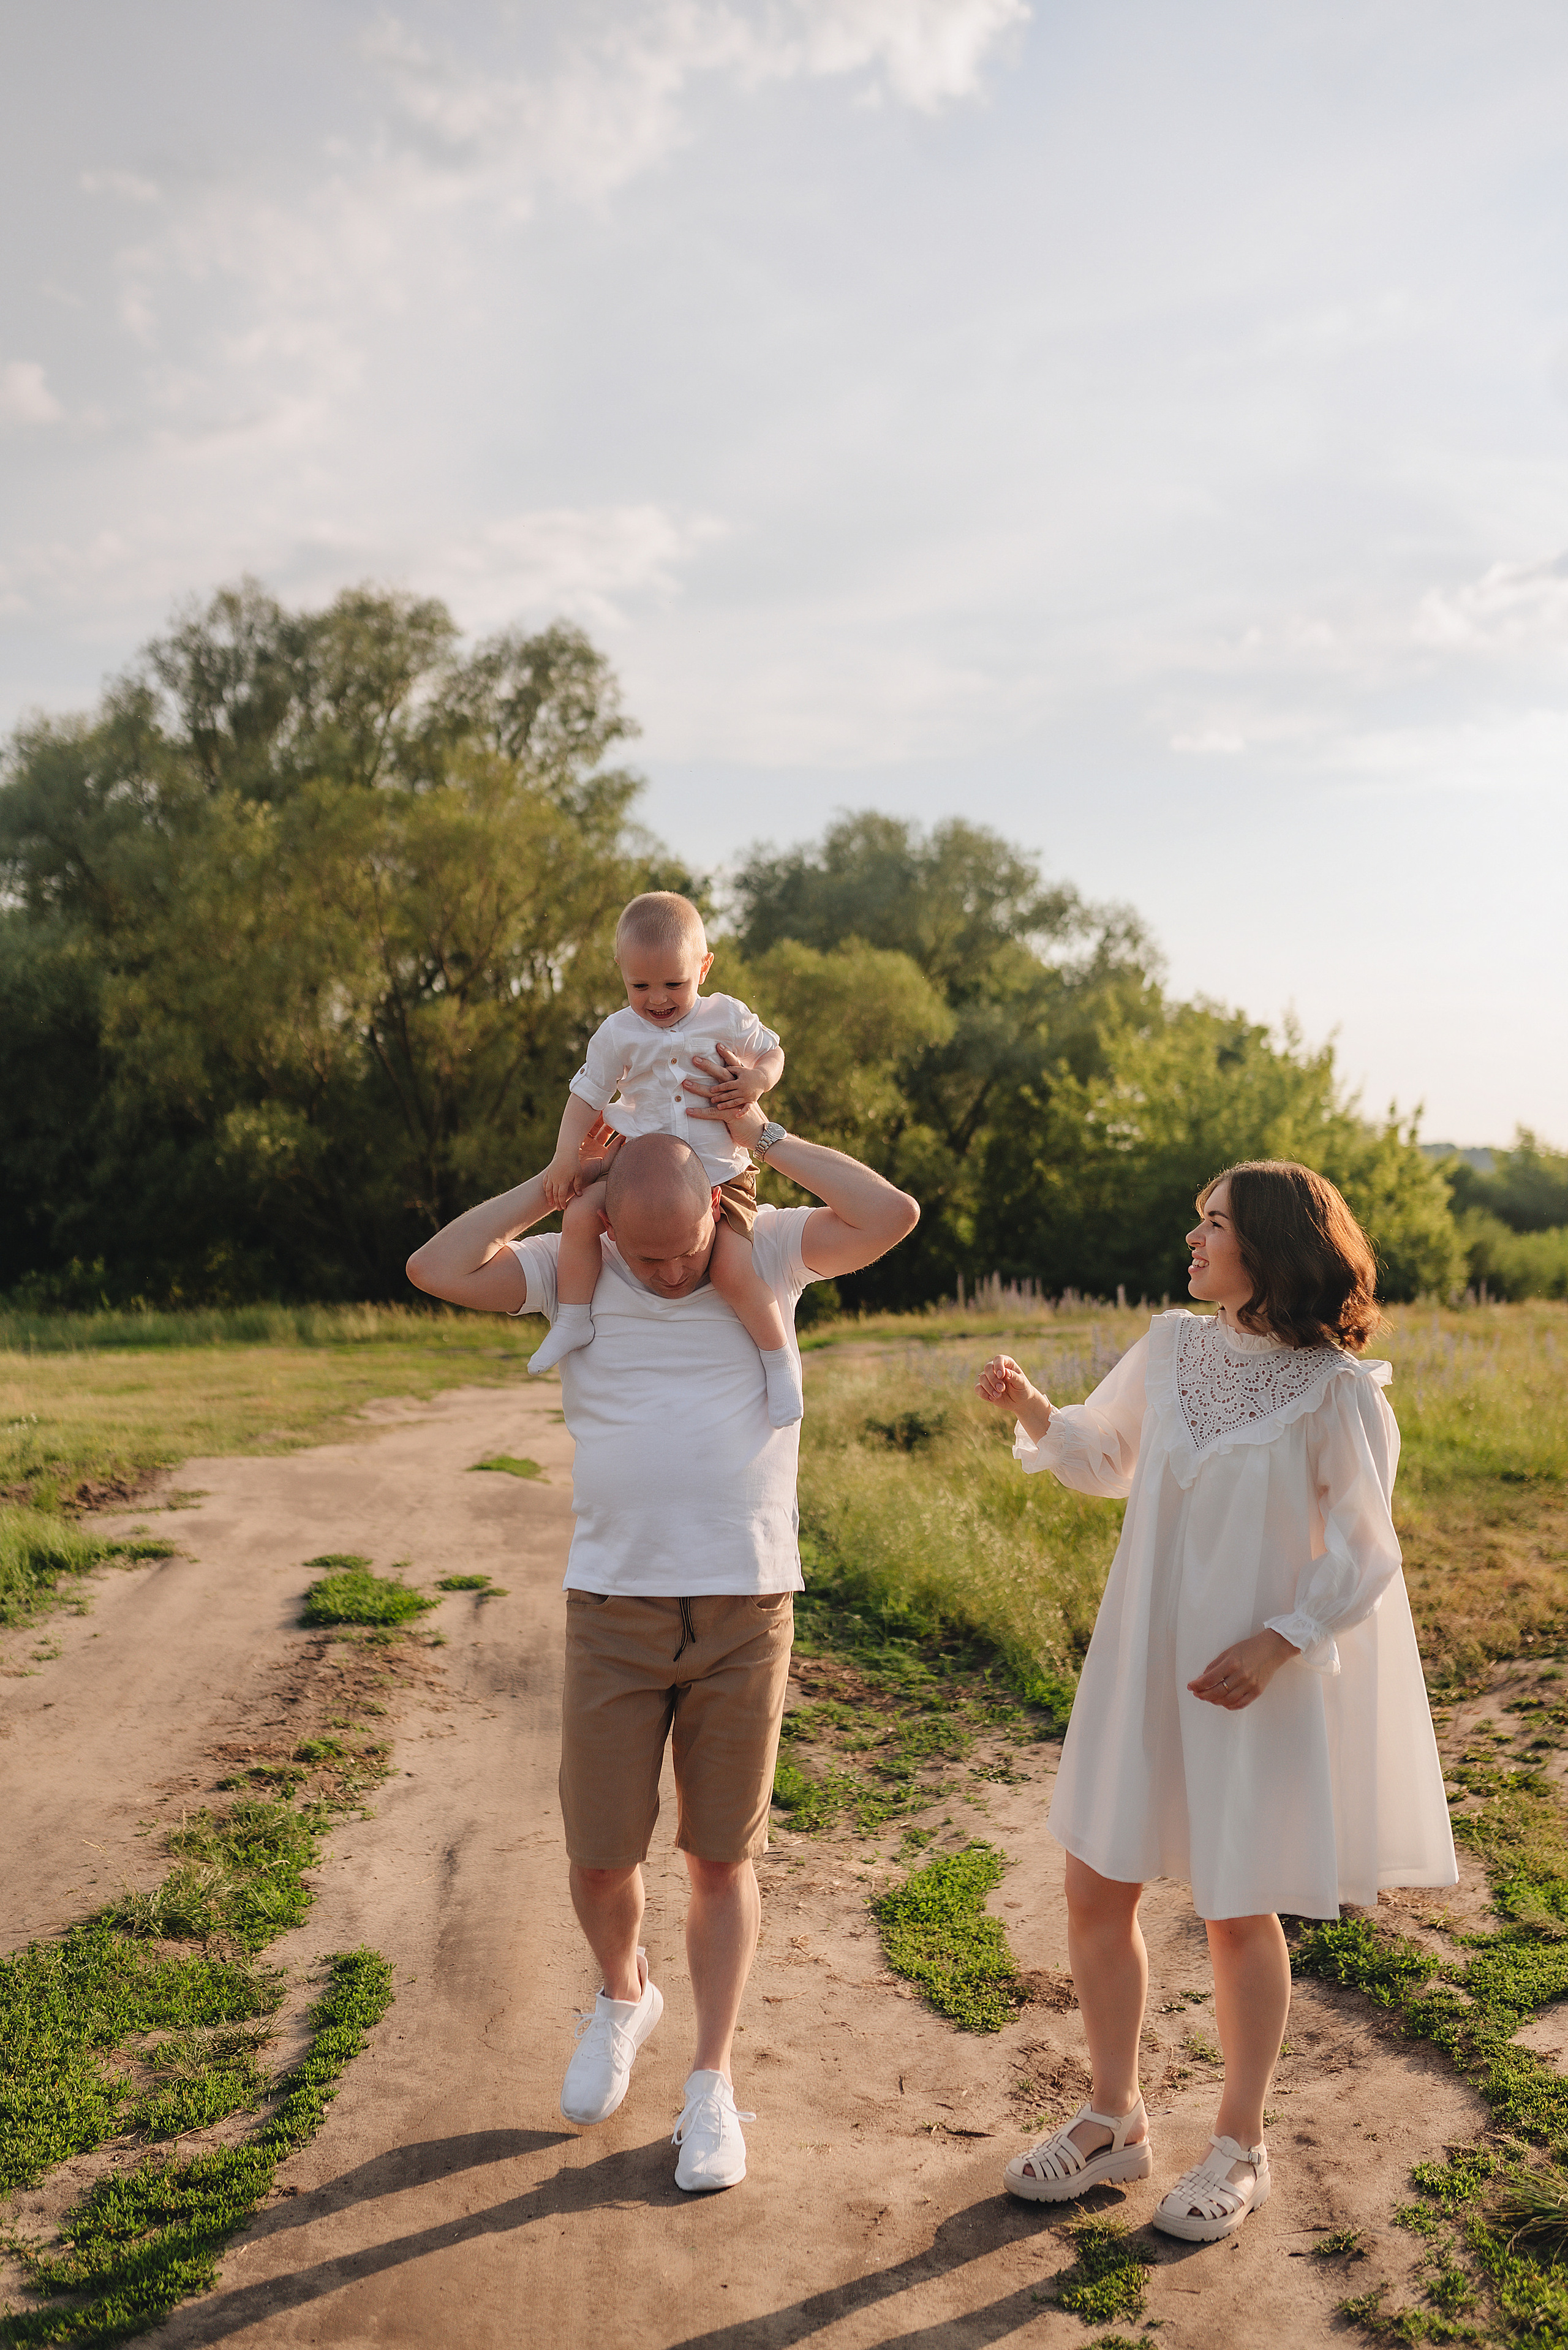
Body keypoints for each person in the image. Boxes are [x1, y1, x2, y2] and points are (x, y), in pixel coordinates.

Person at [405, 1093, 918, 2192]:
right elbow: (435, 1267)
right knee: (599, 1855)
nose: (668, 1273)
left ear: (718, 1216)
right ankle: (624, 1993)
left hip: (746, 1605)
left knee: (721, 1857)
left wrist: (771, 1135)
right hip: (614, 1606)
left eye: (683, 1251)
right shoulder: (574, 1260)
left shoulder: (768, 1246)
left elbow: (892, 1213)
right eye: (642, 1255)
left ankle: (711, 2084)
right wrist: (551, 1190)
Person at [974, 1161, 1455, 2243]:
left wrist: (1280, 1640)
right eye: (1197, 1221)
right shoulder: (1171, 1344)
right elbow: (1107, 1456)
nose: (1192, 1240)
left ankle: (1241, 2145)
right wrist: (1038, 1410)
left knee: (1240, 1908)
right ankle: (1115, 2120)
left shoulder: (1338, 1391)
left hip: (1251, 1680)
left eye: (1214, 1223)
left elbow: (1368, 1555)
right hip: (1146, 1656)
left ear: (1271, 1249)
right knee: (1097, 1880)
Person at [527, 891, 804, 1428]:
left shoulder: (726, 1014)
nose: (658, 999)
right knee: (580, 1217)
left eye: (674, 983)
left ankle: (778, 1360)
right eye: (641, 986)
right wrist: (566, 1156)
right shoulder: (616, 1033)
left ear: (704, 966)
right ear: (621, 973)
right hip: (635, 1171)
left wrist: (757, 1080)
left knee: (730, 1267)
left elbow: (773, 1051)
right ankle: (575, 1317)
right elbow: (585, 1098)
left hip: (721, 1170)